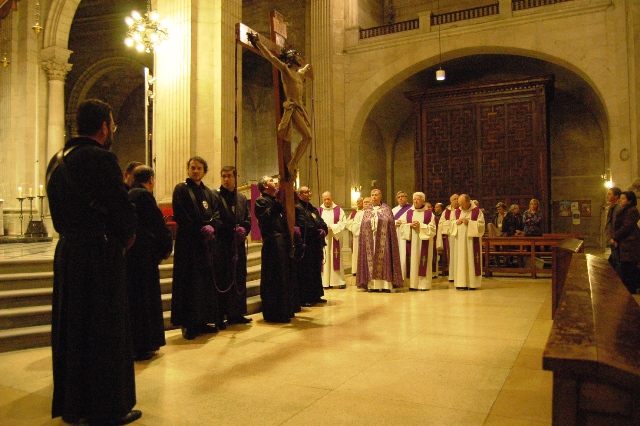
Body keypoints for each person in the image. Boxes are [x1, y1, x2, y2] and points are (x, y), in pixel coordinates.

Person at [46, 99, 141, 424]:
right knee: (104, 330)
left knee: (74, 330)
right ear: (103, 127)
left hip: (68, 253)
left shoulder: (57, 160)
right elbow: (121, 209)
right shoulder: (102, 158)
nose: (112, 130)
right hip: (99, 255)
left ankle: (75, 406)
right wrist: (126, 236)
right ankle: (108, 408)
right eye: (112, 125)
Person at [247, 32, 313, 177]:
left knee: (308, 137)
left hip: (301, 108)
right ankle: (293, 163)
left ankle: (294, 162)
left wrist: (309, 68)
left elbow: (306, 70)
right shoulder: (286, 70)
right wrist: (258, 43)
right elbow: (271, 58)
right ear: (291, 58)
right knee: (307, 136)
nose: (299, 58)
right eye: (297, 56)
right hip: (293, 108)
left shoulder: (298, 75)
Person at [171, 156, 222, 340]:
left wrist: (213, 226)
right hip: (189, 244)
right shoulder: (181, 189)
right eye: (192, 167)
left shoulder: (209, 192)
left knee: (203, 284)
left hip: (205, 245)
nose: (195, 171)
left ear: (204, 171)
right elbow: (181, 214)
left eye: (199, 168)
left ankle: (202, 321)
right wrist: (200, 229)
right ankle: (188, 324)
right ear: (188, 169)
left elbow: (216, 213)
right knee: (189, 283)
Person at [126, 165, 173, 361]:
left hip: (131, 255)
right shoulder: (144, 196)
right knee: (146, 300)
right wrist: (166, 247)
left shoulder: (129, 194)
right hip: (144, 256)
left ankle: (134, 344)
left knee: (134, 300)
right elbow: (157, 224)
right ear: (151, 180)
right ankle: (145, 344)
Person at [212, 166, 253, 327]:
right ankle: (220, 315)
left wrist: (245, 229)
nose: (226, 179)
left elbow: (247, 218)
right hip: (222, 244)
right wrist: (230, 229)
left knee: (239, 277)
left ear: (235, 177)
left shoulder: (241, 197)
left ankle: (236, 313)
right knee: (223, 278)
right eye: (223, 176)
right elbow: (215, 218)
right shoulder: (216, 196)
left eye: (229, 176)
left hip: (238, 244)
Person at [254, 176, 296, 323]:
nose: (275, 182)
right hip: (272, 244)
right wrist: (278, 202)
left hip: (282, 242)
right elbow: (267, 217)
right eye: (271, 181)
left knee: (283, 277)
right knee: (274, 278)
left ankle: (285, 309)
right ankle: (274, 313)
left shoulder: (274, 201)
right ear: (265, 186)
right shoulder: (261, 201)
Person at [356, 189, 403, 292]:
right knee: (371, 261)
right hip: (370, 240)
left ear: (380, 196)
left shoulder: (386, 209)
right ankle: (372, 286)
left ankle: (386, 285)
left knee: (385, 260)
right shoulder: (367, 210)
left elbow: (390, 221)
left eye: (376, 195)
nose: (374, 197)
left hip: (384, 240)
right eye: (372, 195)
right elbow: (364, 224)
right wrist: (371, 221)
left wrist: (379, 220)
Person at [295, 186, 328, 306]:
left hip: (316, 244)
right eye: (306, 192)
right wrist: (317, 231)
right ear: (299, 195)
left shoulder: (313, 209)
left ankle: (315, 295)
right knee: (306, 271)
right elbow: (303, 225)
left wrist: (323, 230)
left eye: (310, 191)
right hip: (307, 244)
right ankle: (305, 298)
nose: (310, 193)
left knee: (315, 270)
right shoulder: (298, 208)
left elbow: (322, 222)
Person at [399, 192, 437, 290]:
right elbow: (401, 224)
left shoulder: (429, 213)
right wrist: (410, 225)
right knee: (413, 261)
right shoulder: (409, 212)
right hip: (412, 242)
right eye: (414, 199)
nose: (415, 201)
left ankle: (423, 285)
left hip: (424, 242)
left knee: (423, 261)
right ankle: (413, 284)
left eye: (418, 199)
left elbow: (432, 229)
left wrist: (421, 225)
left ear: (423, 201)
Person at [450, 194, 485, 290]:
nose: (461, 207)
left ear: (468, 202)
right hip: (460, 242)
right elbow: (450, 225)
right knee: (460, 260)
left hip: (472, 242)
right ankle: (461, 283)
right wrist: (456, 223)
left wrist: (469, 222)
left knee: (471, 260)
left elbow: (481, 226)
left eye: (462, 204)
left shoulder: (477, 211)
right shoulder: (457, 211)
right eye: (459, 204)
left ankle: (472, 284)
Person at [610, 191, 640, 293]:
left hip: (629, 244)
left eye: (623, 199)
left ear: (630, 201)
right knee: (624, 267)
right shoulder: (624, 210)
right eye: (620, 198)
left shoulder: (632, 211)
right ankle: (627, 289)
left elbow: (626, 227)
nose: (620, 200)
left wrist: (615, 237)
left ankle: (630, 290)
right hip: (624, 243)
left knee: (629, 268)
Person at [319, 191, 347, 289]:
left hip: (335, 237)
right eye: (325, 199)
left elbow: (343, 222)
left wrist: (333, 227)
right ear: (322, 199)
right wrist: (323, 228)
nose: (327, 201)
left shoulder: (339, 210)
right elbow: (316, 223)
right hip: (324, 238)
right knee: (324, 259)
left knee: (336, 258)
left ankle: (339, 281)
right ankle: (325, 282)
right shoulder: (319, 210)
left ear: (332, 198)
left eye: (328, 199)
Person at [438, 194, 459, 283]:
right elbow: (441, 223)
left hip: (461, 236)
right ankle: (452, 275)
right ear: (451, 201)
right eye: (454, 199)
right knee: (452, 255)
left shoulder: (463, 210)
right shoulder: (446, 212)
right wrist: (452, 223)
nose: (456, 200)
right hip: (451, 237)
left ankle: (461, 275)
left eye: (458, 198)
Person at [346, 197, 370, 275]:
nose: (359, 203)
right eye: (357, 201)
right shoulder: (356, 213)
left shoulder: (373, 212)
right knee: (357, 253)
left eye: (367, 202)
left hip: (369, 237)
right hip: (358, 236)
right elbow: (349, 223)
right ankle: (357, 270)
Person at [392, 191, 412, 281]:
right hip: (396, 233)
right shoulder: (394, 210)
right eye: (398, 197)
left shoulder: (411, 209)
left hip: (406, 234)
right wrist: (395, 222)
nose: (400, 198)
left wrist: (405, 223)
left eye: (402, 196)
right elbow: (389, 220)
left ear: (406, 198)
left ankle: (405, 274)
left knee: (404, 254)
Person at [605, 187, 622, 270]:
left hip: (616, 239)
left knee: (617, 261)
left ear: (616, 196)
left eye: (609, 194)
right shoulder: (611, 207)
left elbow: (616, 224)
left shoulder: (618, 208)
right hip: (612, 237)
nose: (607, 196)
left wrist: (614, 238)